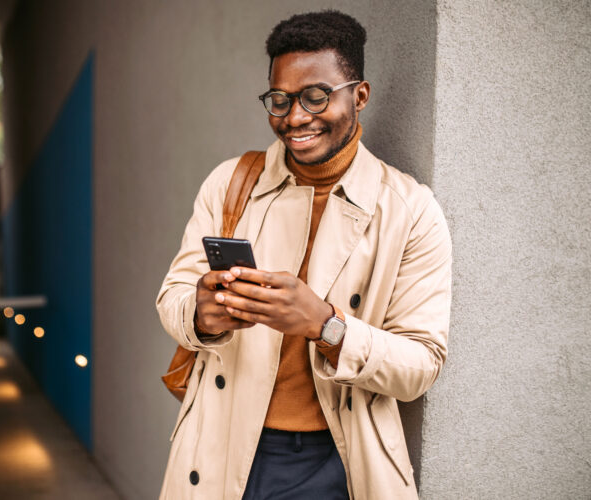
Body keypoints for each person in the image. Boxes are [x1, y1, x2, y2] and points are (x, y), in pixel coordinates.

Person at [156, 10, 451, 500]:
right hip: (222, 446)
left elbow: (421, 364)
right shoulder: (230, 183)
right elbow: (173, 298)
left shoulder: (409, 210)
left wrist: (325, 325)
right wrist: (201, 315)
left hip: (336, 461)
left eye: (316, 96)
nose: (294, 117)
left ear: (359, 95)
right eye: (280, 99)